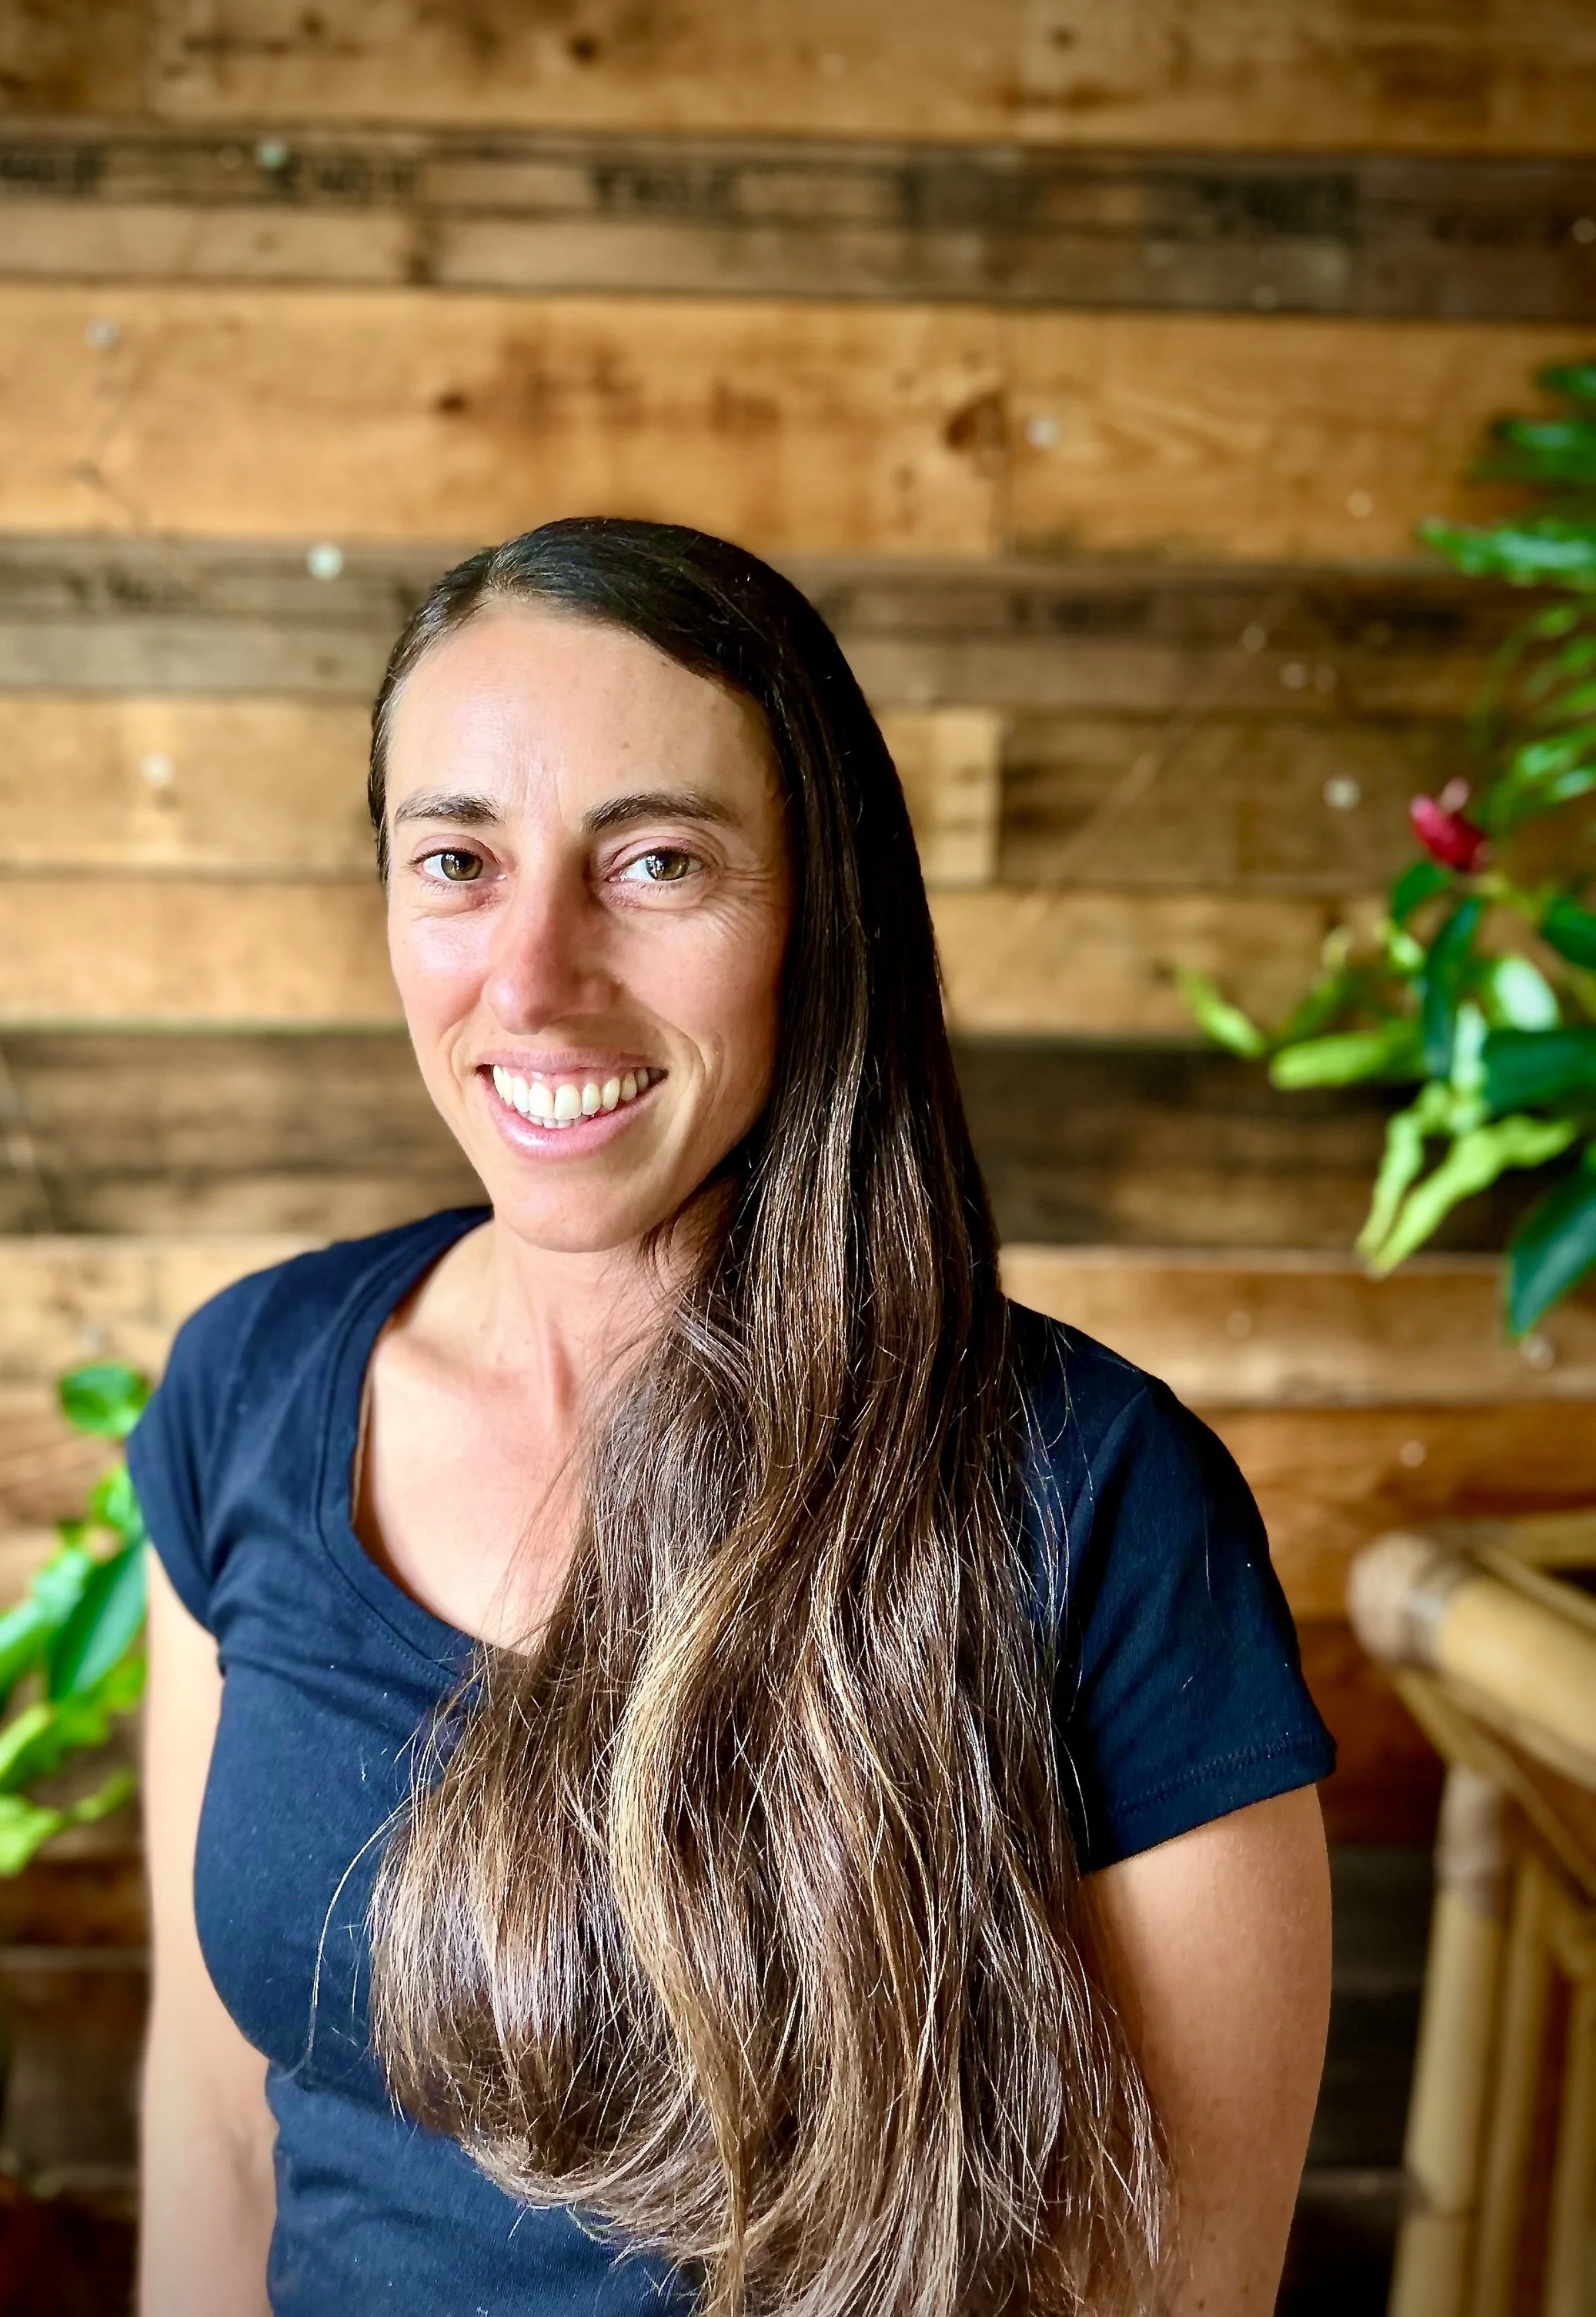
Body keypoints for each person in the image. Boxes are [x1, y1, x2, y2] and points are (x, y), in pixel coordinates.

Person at [132, 517, 1334, 2317]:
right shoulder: (250, 1385)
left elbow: (1168, 2282)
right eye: (455, 856)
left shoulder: (1096, 1501)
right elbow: (216, 2126)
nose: (531, 974)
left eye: (657, 861)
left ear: (816, 910)